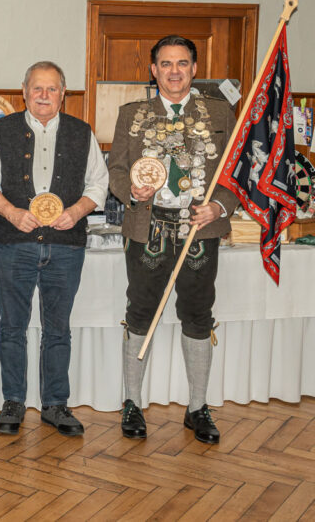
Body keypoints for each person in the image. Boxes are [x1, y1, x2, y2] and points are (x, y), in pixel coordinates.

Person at [108, 35, 237, 444]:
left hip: (200, 230)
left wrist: (219, 207)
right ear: (154, 70)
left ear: (194, 69)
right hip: (148, 229)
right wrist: (132, 192)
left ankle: (197, 407)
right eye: (166, 63)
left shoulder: (220, 112)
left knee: (198, 315)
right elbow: (116, 169)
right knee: (141, 312)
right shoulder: (132, 114)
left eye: (182, 63)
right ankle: (132, 403)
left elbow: (236, 172)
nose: (174, 71)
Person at [0, 61, 108, 436]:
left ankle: (55, 404)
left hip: (66, 246)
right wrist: (11, 213)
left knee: (58, 330)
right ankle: (13, 402)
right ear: (24, 91)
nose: (44, 95)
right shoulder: (2, 130)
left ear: (63, 93)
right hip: (14, 244)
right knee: (12, 328)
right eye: (37, 88)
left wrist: (77, 211)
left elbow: (98, 184)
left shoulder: (82, 132)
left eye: (52, 89)